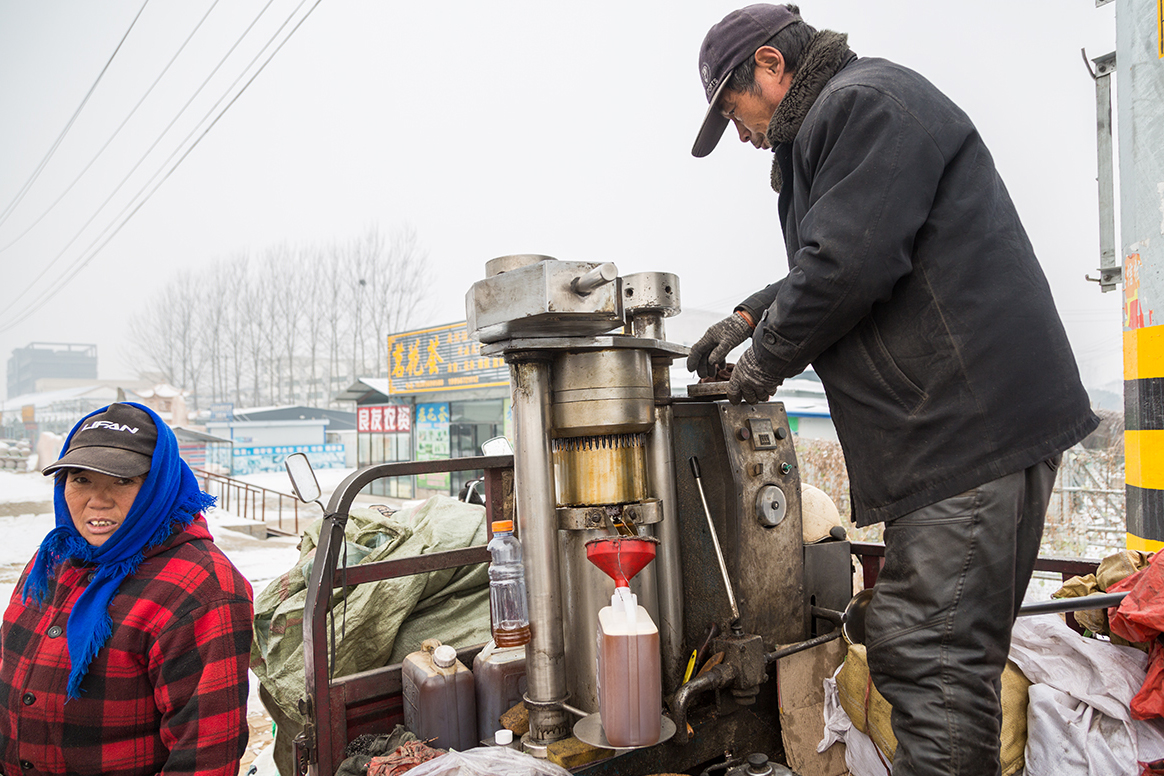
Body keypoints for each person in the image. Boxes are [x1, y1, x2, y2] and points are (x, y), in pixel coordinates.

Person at [687, 5, 1099, 775]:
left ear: (771, 66)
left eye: (732, 111)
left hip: (964, 434)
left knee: (927, 657)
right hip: (968, 431)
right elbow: (844, 244)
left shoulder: (861, 105)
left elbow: (845, 265)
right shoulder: (861, 110)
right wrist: (750, 314)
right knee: (940, 650)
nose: (741, 136)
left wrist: (759, 366)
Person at [0, 402, 254, 776]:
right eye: (81, 479)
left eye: (123, 480)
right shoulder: (56, 558)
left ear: (159, 483)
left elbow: (203, 756)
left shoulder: (200, 587)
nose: (97, 500)